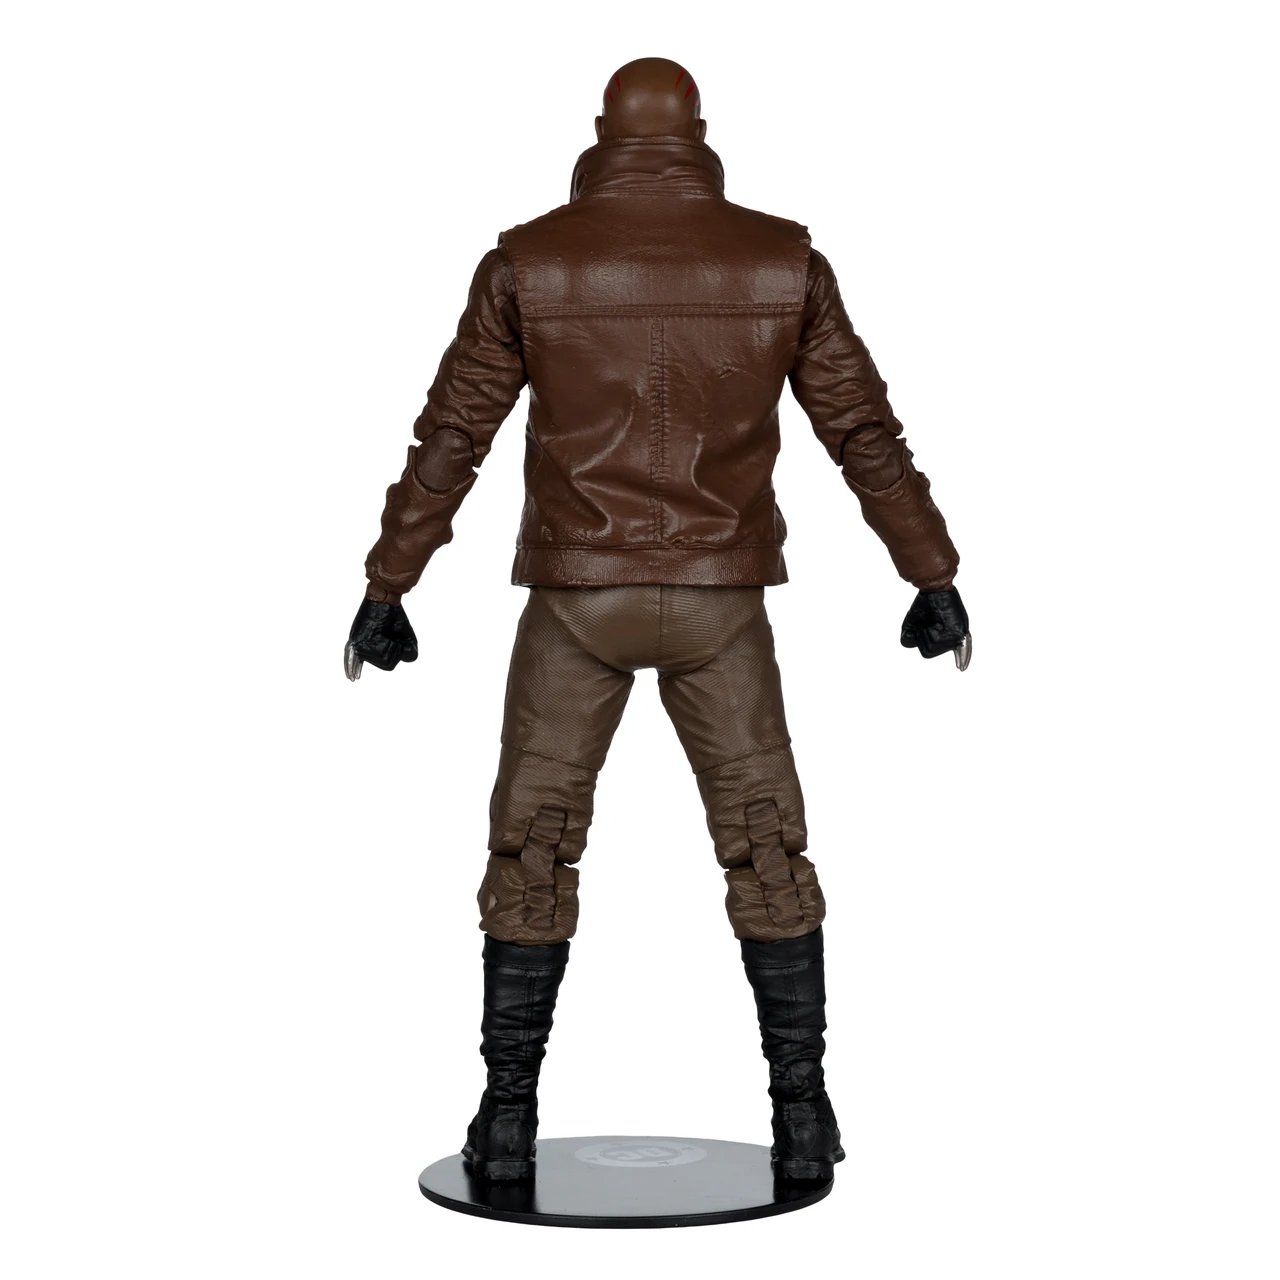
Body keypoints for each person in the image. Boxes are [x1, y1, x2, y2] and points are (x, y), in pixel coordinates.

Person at [346, 57, 970, 1183]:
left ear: (602, 133)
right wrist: (927, 570)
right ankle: (801, 1112)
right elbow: (862, 432)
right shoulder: (782, 261)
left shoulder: (528, 261)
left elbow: (451, 435)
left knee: (532, 845)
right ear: (699, 132)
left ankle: (505, 1119)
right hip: (719, 600)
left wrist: (391, 582)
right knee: (766, 844)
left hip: (576, 598)